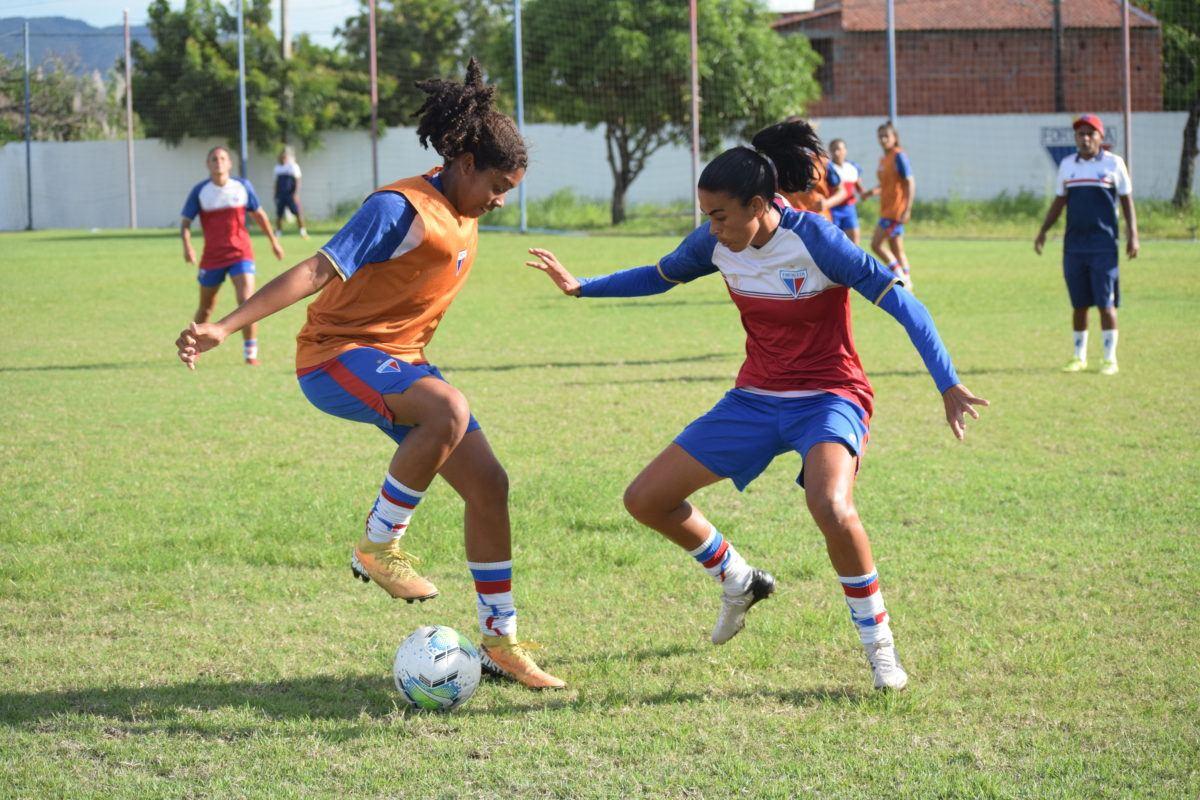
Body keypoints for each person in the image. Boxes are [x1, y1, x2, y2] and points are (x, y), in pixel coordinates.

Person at [526, 119, 988, 692]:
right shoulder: (715, 244)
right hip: (753, 399)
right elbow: (657, 276)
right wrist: (582, 286)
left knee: (832, 506)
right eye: (706, 216)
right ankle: (738, 579)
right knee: (647, 499)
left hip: (828, 395)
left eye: (720, 215)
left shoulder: (817, 239)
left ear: (759, 204)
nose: (711, 228)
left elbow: (905, 307)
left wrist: (947, 382)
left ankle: (881, 652)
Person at [175, 59, 564, 690]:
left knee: (490, 484)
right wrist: (226, 325)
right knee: (448, 408)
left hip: (397, 361)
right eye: (498, 185)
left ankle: (500, 641)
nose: (500, 200)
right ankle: (378, 545)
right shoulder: (397, 207)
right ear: (465, 162)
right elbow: (315, 270)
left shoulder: (462, 207)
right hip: (335, 356)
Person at [1034, 114, 1138, 376]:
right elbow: (1059, 202)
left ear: (1101, 138)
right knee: (1079, 304)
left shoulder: (1114, 164)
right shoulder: (1068, 164)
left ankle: (1109, 358)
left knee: (1105, 304)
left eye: (1091, 133)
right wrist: (1043, 231)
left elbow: (1126, 201)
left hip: (1103, 246)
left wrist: (1133, 234)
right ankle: (1078, 356)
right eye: (1080, 134)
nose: (1085, 138)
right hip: (1074, 247)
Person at [181, 146, 284, 365]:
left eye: (222, 158)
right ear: (207, 164)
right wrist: (187, 247)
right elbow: (185, 223)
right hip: (212, 257)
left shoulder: (242, 187)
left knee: (246, 300)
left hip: (240, 252)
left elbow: (260, 216)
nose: (218, 162)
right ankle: (194, 346)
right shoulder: (200, 191)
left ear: (229, 164)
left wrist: (274, 242)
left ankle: (251, 353)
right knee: (207, 306)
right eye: (214, 159)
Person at [863, 121, 915, 289]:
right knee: (896, 248)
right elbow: (887, 184)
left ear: (894, 138)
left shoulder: (898, 156)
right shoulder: (883, 159)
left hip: (895, 210)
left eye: (886, 136)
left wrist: (907, 209)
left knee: (876, 244)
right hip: (886, 208)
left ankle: (900, 276)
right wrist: (872, 192)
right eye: (880, 136)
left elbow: (910, 182)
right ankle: (907, 281)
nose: (883, 139)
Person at [828, 139, 866, 245]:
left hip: (849, 208)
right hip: (833, 209)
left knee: (854, 239)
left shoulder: (853, 167)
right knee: (835, 241)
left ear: (845, 150)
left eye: (839, 149)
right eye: (833, 150)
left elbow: (860, 188)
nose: (836, 152)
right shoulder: (829, 168)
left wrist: (866, 193)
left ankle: (855, 261)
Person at [274, 147, 309, 239]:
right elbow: (277, 182)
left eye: (285, 156)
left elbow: (297, 181)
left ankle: (303, 232)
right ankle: (278, 233)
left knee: (297, 213)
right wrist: (275, 193)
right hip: (281, 195)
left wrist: (296, 193)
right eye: (282, 156)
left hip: (290, 194)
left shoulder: (293, 166)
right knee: (279, 215)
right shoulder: (278, 167)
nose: (283, 158)